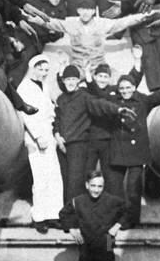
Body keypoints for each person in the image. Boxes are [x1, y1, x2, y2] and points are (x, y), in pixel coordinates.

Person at [53, 64, 134, 201]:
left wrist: (119, 110)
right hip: (61, 145)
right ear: (63, 81)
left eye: (74, 79)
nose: (71, 82)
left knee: (75, 184)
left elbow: (101, 104)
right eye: (68, 79)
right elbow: (56, 119)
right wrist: (57, 135)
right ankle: (67, 212)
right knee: (64, 182)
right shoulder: (60, 99)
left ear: (78, 81)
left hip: (78, 145)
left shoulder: (85, 97)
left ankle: (76, 212)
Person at [108, 70, 160, 222]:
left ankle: (132, 220)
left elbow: (159, 96)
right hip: (118, 150)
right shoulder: (113, 102)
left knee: (133, 189)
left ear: (134, 87)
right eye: (122, 88)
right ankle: (116, 218)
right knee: (115, 189)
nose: (125, 91)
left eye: (128, 87)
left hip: (136, 152)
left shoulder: (142, 101)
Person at [16, 55, 64, 232]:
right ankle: (39, 217)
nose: (43, 73)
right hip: (35, 138)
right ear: (33, 68)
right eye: (40, 69)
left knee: (54, 176)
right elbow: (25, 115)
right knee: (40, 177)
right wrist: (37, 136)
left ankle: (54, 214)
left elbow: (50, 109)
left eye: (46, 70)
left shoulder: (44, 85)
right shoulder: (24, 87)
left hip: (47, 134)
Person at [58, 172, 131, 261]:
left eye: (100, 186)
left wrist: (117, 226)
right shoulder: (78, 201)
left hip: (108, 241)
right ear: (87, 185)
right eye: (93, 186)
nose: (96, 190)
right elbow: (63, 214)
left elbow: (129, 211)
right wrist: (71, 229)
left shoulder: (112, 200)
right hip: (86, 244)